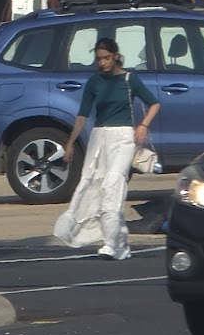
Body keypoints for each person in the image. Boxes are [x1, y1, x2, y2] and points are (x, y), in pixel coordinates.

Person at [51, 36, 160, 260]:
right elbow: (82, 114)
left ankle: (110, 243)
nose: (102, 63)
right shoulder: (94, 82)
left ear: (116, 56)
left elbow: (154, 103)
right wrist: (70, 143)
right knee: (93, 185)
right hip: (99, 137)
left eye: (107, 58)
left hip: (123, 137)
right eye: (99, 59)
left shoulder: (130, 79)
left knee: (113, 183)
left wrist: (143, 125)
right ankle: (118, 241)